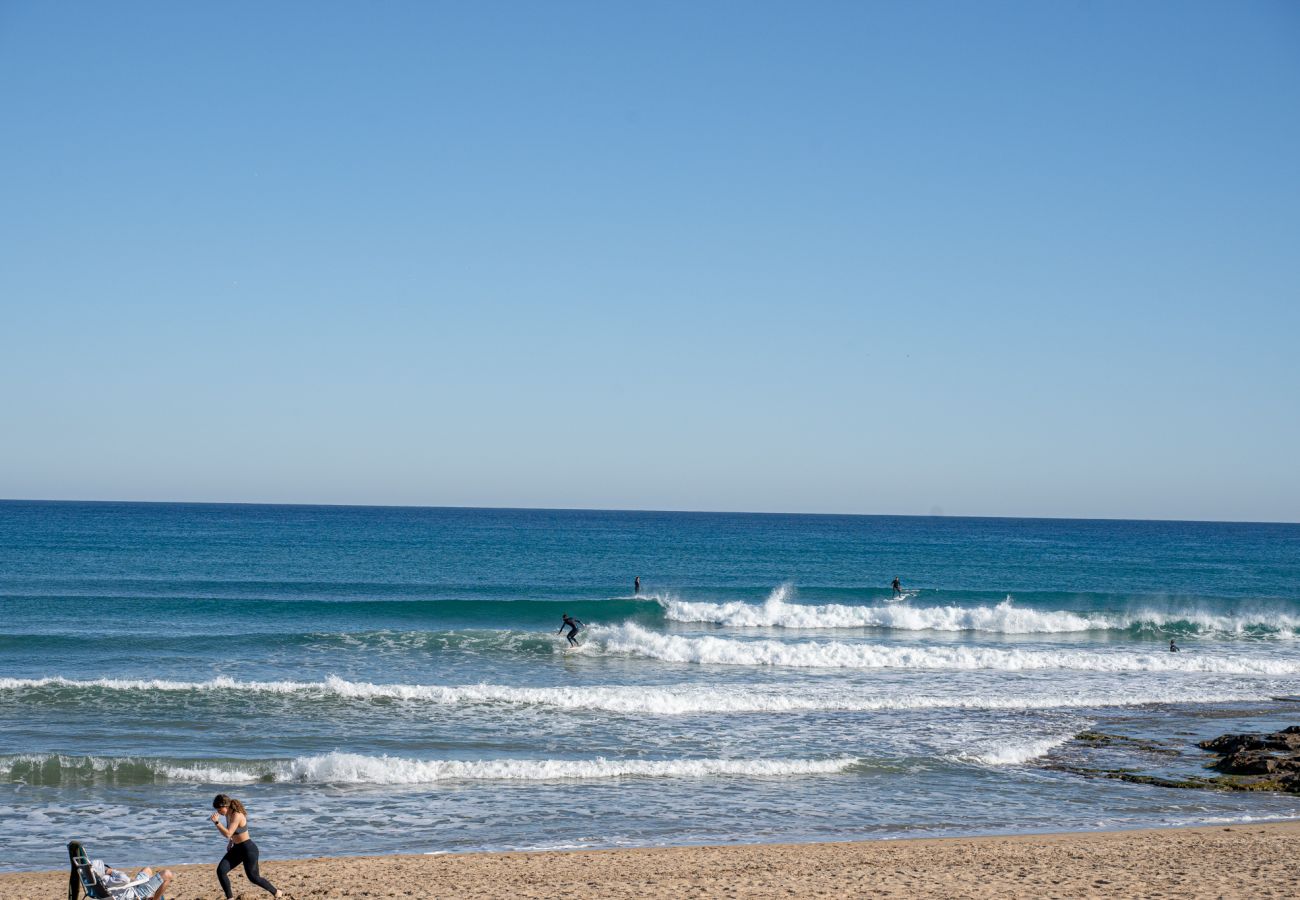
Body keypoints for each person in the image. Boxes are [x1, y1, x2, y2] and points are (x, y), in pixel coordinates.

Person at [210, 793, 283, 899]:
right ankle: (230, 898)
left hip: (248, 849)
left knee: (254, 877)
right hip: (237, 848)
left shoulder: (237, 815)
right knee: (221, 871)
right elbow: (232, 834)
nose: (218, 812)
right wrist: (231, 842)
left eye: (219, 809)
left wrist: (217, 822)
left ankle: (276, 892)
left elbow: (228, 833)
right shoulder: (227, 814)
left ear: (225, 806)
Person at [89, 859, 173, 900]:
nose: (106, 868)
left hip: (129, 888)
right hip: (134, 893)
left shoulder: (96, 880)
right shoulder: (105, 878)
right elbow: (125, 879)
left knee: (147, 869)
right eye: (104, 867)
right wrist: (112, 871)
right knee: (167, 874)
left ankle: (148, 896)